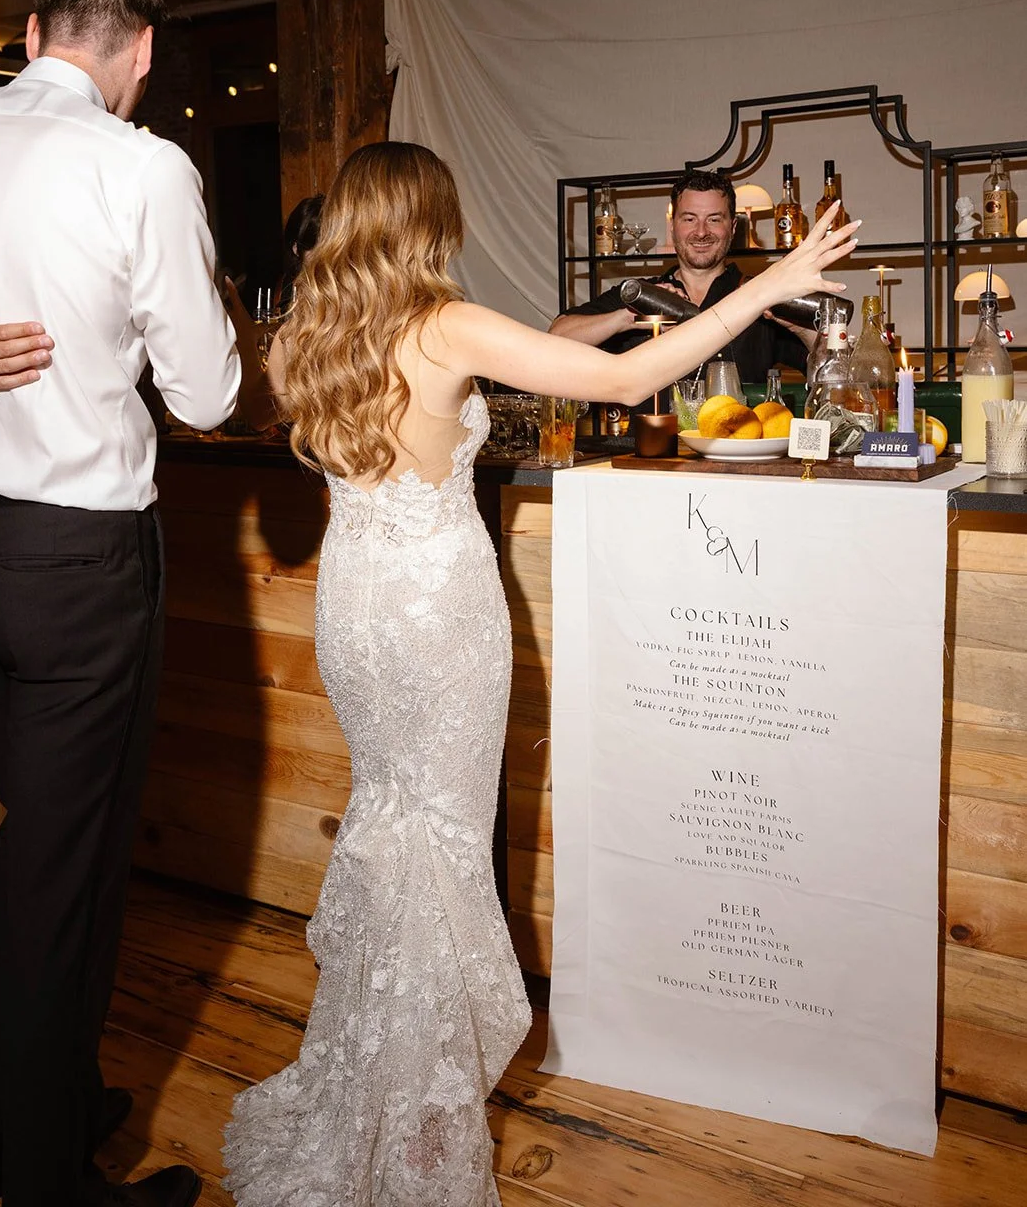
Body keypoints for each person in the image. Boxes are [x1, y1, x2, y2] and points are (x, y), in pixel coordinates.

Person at [222, 141, 858, 1207]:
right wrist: (774, 285)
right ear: (427, 221)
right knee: (441, 839)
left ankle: (377, 1082)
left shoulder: (304, 335)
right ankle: (417, 1125)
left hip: (356, 602)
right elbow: (624, 377)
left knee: (391, 822)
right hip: (436, 611)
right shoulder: (443, 322)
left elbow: (248, 405)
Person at [0, 0, 247, 1207]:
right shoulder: (143, 166)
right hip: (76, 560)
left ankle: (23, 1119)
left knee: (35, 847)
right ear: (139, 50)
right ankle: (43, 1180)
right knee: (59, 870)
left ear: (29, 35)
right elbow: (208, 394)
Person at [550, 170, 818, 383]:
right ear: (673, 226)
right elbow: (557, 338)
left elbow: (827, 370)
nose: (701, 232)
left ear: (733, 227)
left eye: (714, 219)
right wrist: (629, 318)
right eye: (689, 219)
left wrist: (802, 329)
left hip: (733, 437)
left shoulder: (757, 296)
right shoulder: (641, 295)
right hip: (650, 438)